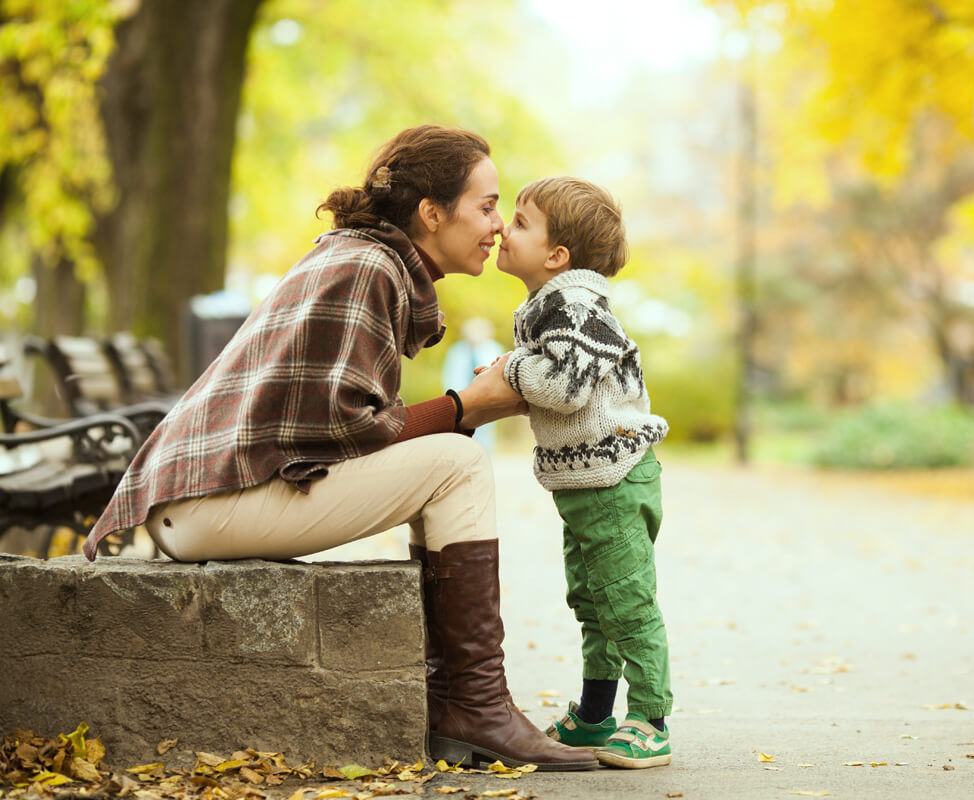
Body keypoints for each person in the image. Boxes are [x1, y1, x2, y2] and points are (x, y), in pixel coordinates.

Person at [81, 126, 598, 772]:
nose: (496, 225)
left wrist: (464, 408)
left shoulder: (363, 256)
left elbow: (340, 427)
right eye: (486, 206)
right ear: (431, 214)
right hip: (207, 505)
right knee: (461, 463)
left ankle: (461, 703)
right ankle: (475, 707)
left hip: (202, 500)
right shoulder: (369, 267)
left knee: (453, 461)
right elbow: (352, 431)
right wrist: (469, 407)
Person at [494, 176, 673, 768]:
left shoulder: (575, 307)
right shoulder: (549, 305)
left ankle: (650, 717)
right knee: (592, 602)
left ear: (557, 256)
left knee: (627, 602)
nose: (502, 228)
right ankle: (596, 714)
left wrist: (512, 370)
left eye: (519, 222)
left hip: (617, 481)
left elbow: (567, 390)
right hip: (585, 485)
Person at [441, 317, 505, 454]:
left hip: (489, 397)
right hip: (463, 397)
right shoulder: (457, 351)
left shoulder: (493, 348)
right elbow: (450, 375)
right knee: (463, 431)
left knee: (485, 431)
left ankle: (483, 456)